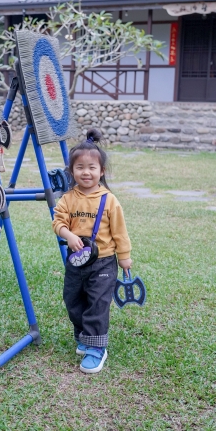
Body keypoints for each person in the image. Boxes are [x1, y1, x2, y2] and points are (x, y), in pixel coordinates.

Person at [52, 128, 132, 374]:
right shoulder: (67, 199)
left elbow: (119, 231)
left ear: (101, 171)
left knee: (97, 303)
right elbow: (58, 223)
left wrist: (125, 257)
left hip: (104, 261)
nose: (86, 172)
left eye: (92, 167)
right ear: (71, 171)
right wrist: (69, 235)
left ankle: (97, 347)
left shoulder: (109, 200)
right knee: (73, 299)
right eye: (80, 167)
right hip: (76, 261)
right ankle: (84, 336)